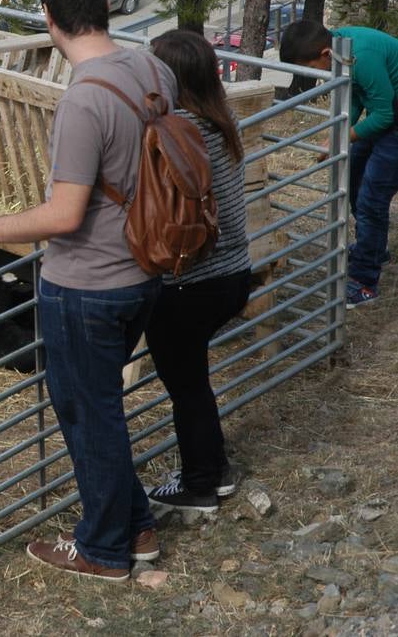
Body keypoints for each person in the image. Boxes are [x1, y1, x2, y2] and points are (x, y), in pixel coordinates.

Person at [0, 0, 173, 581]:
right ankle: (139, 527)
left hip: (86, 286)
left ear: (48, 18)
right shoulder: (153, 67)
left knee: (88, 414)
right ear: (101, 6)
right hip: (144, 273)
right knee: (104, 409)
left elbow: (65, 213)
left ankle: (101, 549)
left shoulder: (83, 103)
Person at [140, 30, 252, 512]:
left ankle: (199, 484)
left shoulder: (171, 131)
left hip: (188, 281)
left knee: (185, 385)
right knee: (194, 378)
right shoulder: (222, 121)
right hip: (233, 274)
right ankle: (216, 469)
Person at [280, 20, 398, 308]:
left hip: (392, 119)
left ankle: (364, 281)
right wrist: (339, 134)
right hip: (388, 112)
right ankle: (373, 247)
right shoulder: (342, 48)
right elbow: (357, 96)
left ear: (324, 54)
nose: (313, 76)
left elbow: (383, 114)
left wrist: (343, 137)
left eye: (311, 67)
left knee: (372, 198)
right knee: (354, 176)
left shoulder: (362, 56)